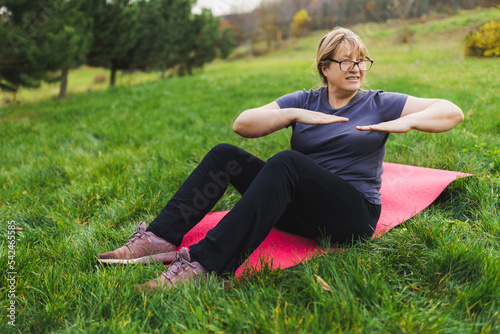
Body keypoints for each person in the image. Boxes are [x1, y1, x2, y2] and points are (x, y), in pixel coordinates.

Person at [97, 27, 464, 292]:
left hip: (350, 218)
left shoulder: (379, 102)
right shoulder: (305, 100)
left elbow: (451, 111)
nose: (357, 68)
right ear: (325, 67)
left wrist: (409, 122)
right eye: (346, 61)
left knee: (287, 162)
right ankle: (160, 238)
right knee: (226, 155)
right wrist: (293, 115)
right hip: (300, 213)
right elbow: (243, 123)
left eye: (362, 60)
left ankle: (205, 265)